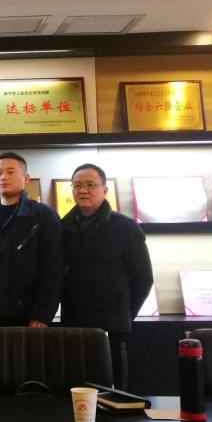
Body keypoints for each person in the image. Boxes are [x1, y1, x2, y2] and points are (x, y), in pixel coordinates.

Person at [61, 163, 153, 390]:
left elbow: (143, 278)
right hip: (74, 324)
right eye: (77, 186)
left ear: (104, 189)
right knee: (76, 389)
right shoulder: (62, 228)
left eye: (90, 185)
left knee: (117, 391)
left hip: (114, 326)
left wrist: (125, 313)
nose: (83, 190)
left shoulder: (126, 228)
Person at [0, 152, 63, 328]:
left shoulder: (43, 215)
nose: (3, 177)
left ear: (26, 178)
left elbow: (54, 267)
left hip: (26, 313)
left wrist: (43, 313)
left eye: (10, 172)